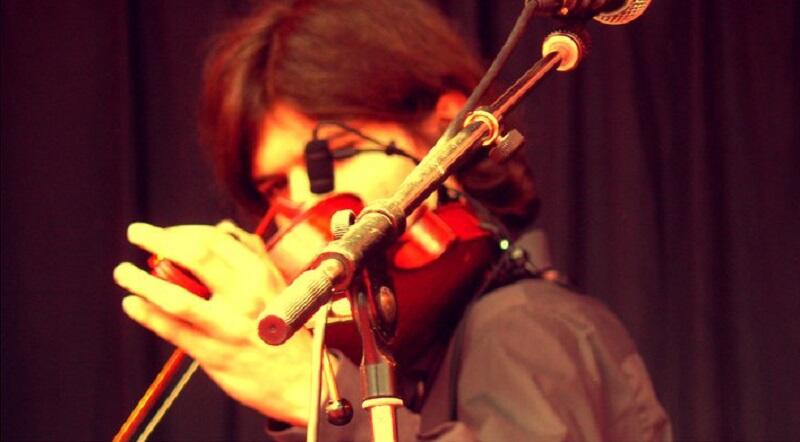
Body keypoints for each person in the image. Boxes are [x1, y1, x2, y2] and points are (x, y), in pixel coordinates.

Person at [113, 1, 672, 440]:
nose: (305, 202)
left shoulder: (525, 325)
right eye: (275, 187)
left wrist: (306, 388)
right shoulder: (414, 357)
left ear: (446, 129)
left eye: (335, 154)